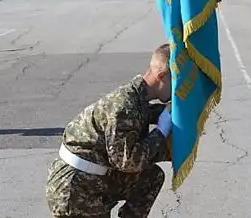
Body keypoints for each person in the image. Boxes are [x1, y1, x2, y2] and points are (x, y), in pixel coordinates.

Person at [45, 44, 174, 218]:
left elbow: (147, 114)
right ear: (161, 76)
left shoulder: (137, 97)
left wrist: (177, 114)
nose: (177, 89)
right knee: (142, 170)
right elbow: (128, 162)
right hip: (74, 187)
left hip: (95, 175)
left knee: (150, 177)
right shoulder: (125, 106)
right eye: (176, 81)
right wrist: (160, 132)